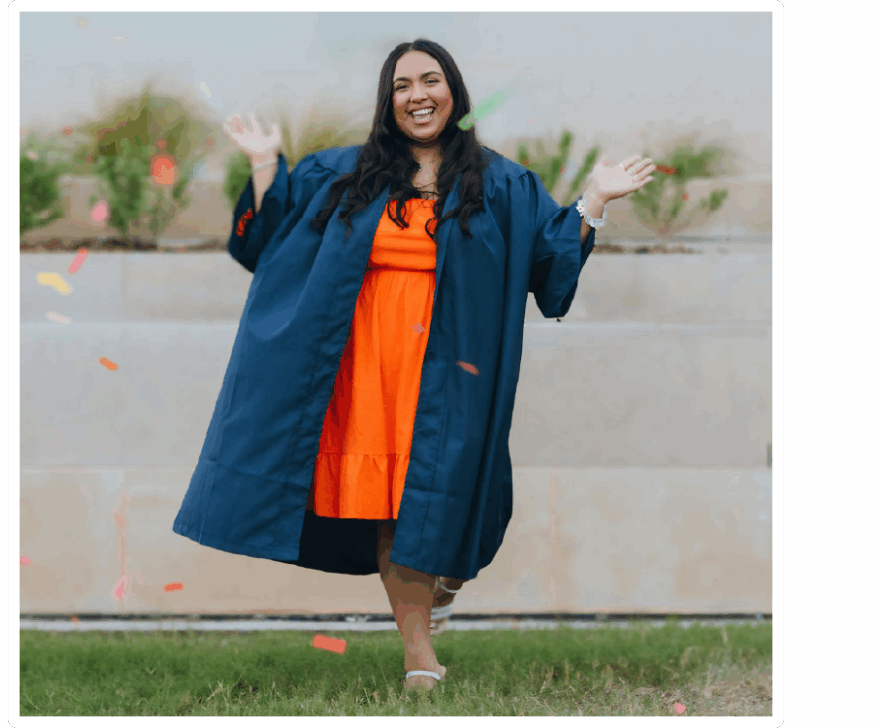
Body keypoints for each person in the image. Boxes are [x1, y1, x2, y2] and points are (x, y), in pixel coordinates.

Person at [173, 38, 654, 693]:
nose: (417, 95)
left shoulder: (502, 183)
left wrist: (593, 200)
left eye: (430, 81)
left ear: (453, 93)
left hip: (451, 374)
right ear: (387, 100)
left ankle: (443, 587)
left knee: (444, 501)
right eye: (402, 85)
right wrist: (264, 166)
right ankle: (419, 655)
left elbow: (548, 269)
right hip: (363, 372)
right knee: (390, 509)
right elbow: (266, 244)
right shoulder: (343, 175)